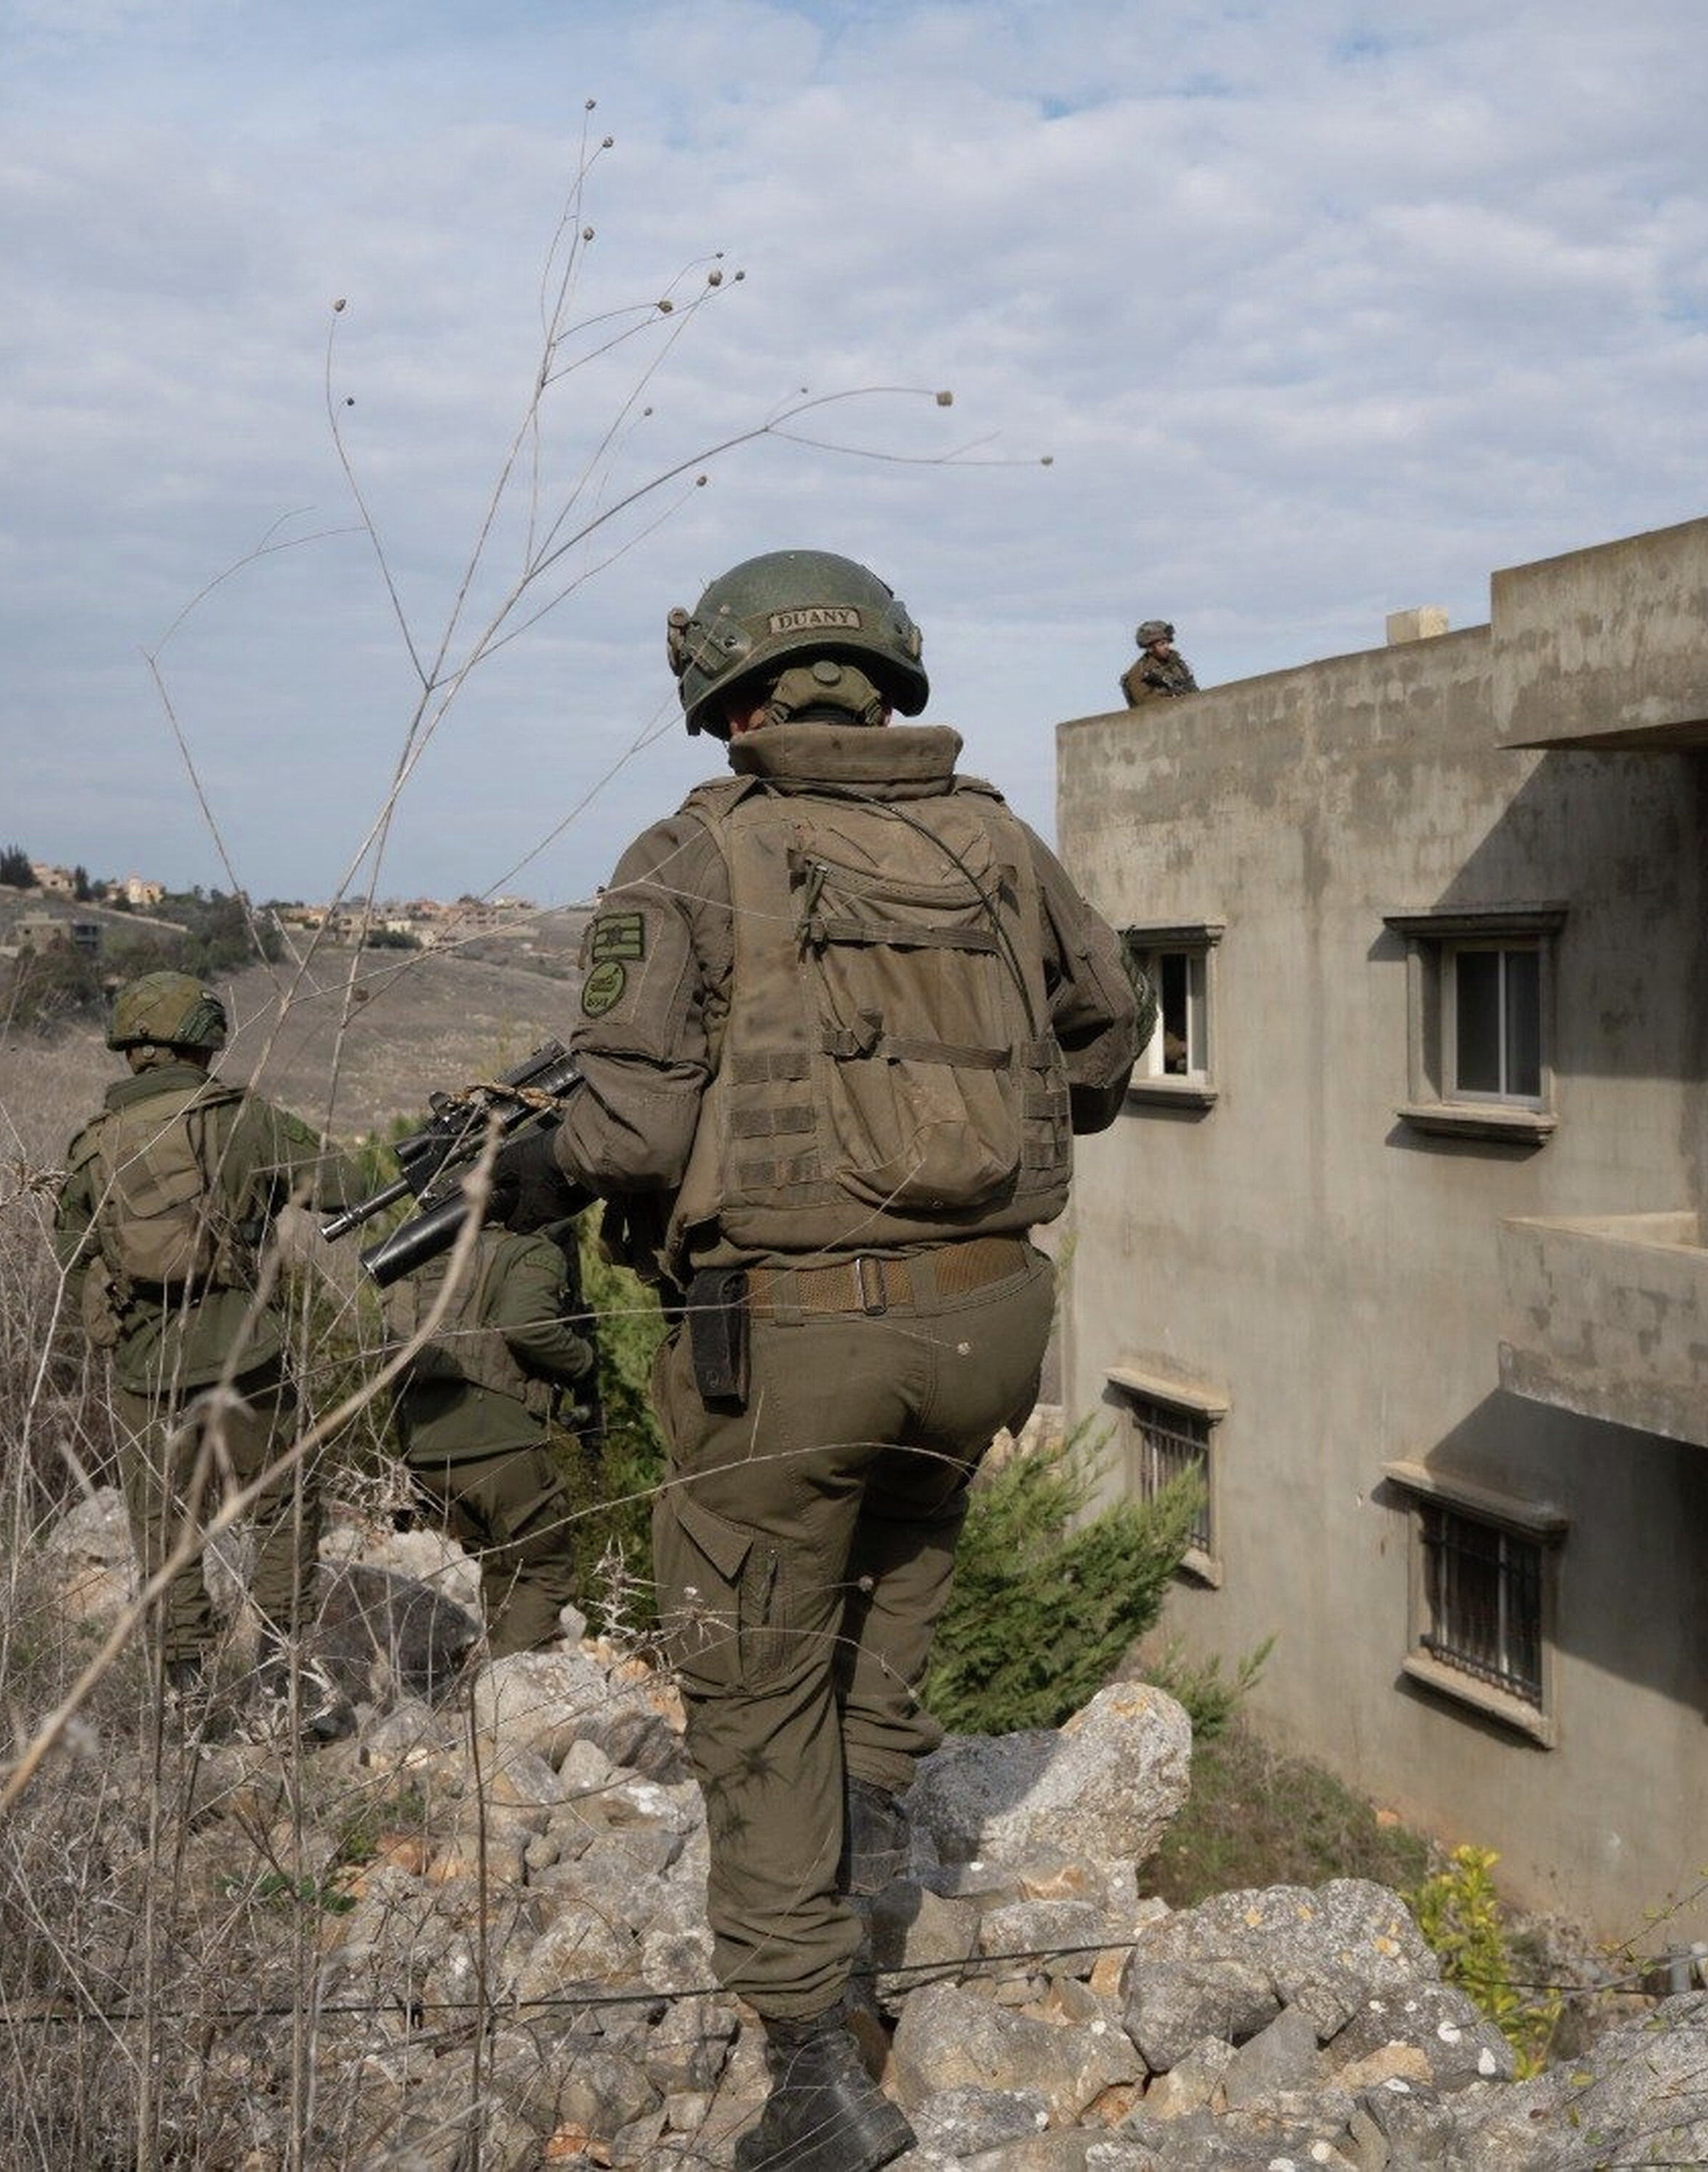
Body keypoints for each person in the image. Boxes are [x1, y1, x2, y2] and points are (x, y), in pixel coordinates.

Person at [487, 550, 1144, 2172]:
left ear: (729, 693)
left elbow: (634, 1131)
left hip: (794, 1344)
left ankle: (807, 2071)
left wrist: (538, 1169)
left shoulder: (697, 854)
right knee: (892, 1594)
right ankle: (855, 1881)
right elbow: (1112, 1038)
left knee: (754, 1669)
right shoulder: (992, 838)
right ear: (883, 675)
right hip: (993, 1327)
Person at [55, 970, 356, 1744]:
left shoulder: (90, 1150)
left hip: (145, 1377)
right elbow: (347, 1184)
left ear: (132, 1050)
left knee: (164, 1530)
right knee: (285, 1508)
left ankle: (184, 1698)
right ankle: (286, 1680)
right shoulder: (244, 1121)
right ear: (203, 1038)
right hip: (247, 1361)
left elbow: (72, 1262)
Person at [384, 1212, 599, 1657]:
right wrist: (583, 1359)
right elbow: (526, 1325)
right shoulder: (532, 1251)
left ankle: (496, 1689)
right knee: (542, 1572)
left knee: (501, 1566)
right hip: (498, 1441)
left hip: (426, 1448)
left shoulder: (423, 1255)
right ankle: (517, 1696)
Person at [1119, 617, 1198, 707]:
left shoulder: (1178, 665)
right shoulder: (1139, 673)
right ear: (1150, 648)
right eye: (1161, 644)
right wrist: (1175, 700)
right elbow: (1146, 704)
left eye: (1167, 642)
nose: (1166, 647)